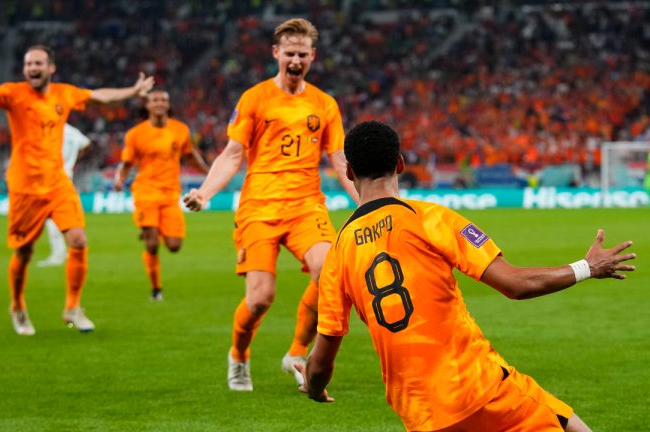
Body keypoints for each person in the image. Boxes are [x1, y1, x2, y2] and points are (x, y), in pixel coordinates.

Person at [297, 121, 636, 432]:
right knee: (569, 423)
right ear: (400, 163)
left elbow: (322, 359)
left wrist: (314, 386)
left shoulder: (338, 254)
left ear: (349, 171)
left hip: (420, 413)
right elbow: (514, 284)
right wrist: (587, 267)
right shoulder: (430, 218)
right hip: (477, 387)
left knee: (558, 411)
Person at [0, 45, 154, 336]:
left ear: (51, 68)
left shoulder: (64, 94)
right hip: (24, 187)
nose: (33, 68)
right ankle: (17, 305)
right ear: (24, 69)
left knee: (78, 240)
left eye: (38, 63)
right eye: (28, 64)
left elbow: (100, 96)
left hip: (57, 182)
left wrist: (132, 91)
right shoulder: (14, 93)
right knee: (24, 252)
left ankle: (73, 307)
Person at [183, 18, 359, 391]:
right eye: (289, 53)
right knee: (261, 298)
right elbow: (233, 155)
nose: (295, 60)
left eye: (302, 54)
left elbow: (340, 160)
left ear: (313, 56)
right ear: (276, 53)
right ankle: (239, 355)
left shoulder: (325, 104)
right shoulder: (255, 98)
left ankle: (296, 353)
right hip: (259, 209)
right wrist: (204, 192)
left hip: (306, 206)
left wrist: (367, 202)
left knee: (331, 274)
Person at [114, 89, 209, 301]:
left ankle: (151, 229)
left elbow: (190, 155)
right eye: (154, 100)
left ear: (168, 105)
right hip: (145, 191)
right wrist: (120, 178)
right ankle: (156, 289)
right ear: (147, 105)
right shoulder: (135, 134)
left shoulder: (180, 130)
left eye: (163, 100)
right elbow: (127, 163)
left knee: (175, 246)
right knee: (153, 244)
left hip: (170, 193)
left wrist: (209, 172)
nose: (159, 103)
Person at [38, 123, 91, 267]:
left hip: (54, 178)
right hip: (67, 175)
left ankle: (58, 254)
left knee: (51, 219)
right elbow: (86, 144)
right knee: (64, 219)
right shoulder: (72, 131)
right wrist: (74, 159)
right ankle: (62, 253)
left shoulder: (50, 129)